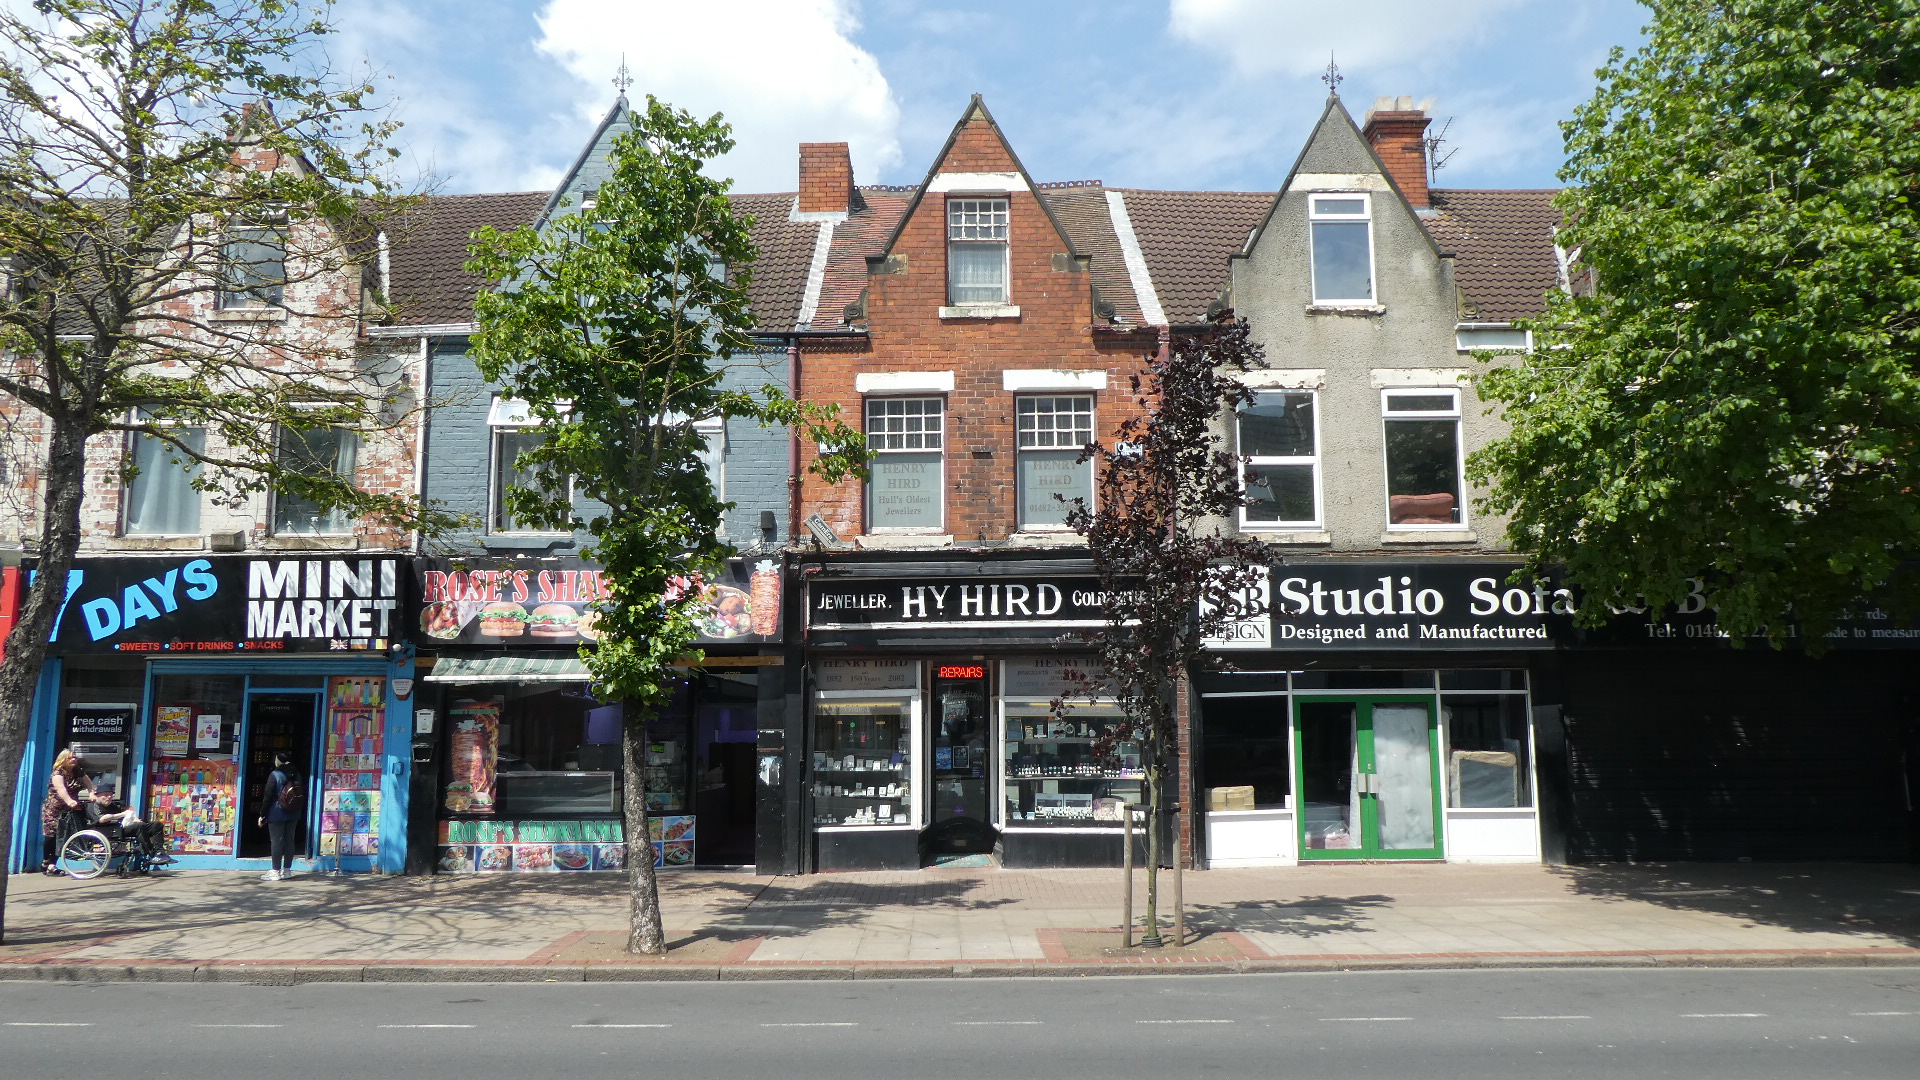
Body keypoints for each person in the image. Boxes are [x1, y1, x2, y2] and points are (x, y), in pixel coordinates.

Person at [40, 749, 93, 874]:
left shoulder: (78, 771)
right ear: (63, 760)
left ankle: (52, 865)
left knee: (62, 836)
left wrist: (92, 793)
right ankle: (45, 861)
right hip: (54, 809)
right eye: (70, 758)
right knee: (51, 836)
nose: (73, 759)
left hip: (69, 810)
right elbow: (61, 789)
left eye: (74, 757)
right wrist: (69, 801)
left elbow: (89, 783)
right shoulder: (58, 773)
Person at [85, 787, 170, 863]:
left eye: (111, 795)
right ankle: (152, 853)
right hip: (106, 831)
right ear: (98, 796)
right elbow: (102, 819)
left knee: (156, 825)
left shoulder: (112, 806)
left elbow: (127, 814)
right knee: (139, 827)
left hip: (119, 828)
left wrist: (135, 819)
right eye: (106, 795)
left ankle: (160, 852)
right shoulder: (93, 806)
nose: (109, 797)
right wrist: (122, 814)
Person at [257, 753, 301, 881]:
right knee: (289, 840)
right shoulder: (297, 774)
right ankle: (287, 870)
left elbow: (267, 797)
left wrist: (262, 814)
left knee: (277, 841)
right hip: (293, 811)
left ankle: (275, 871)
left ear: (279, 761)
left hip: (277, 812)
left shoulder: (275, 775)